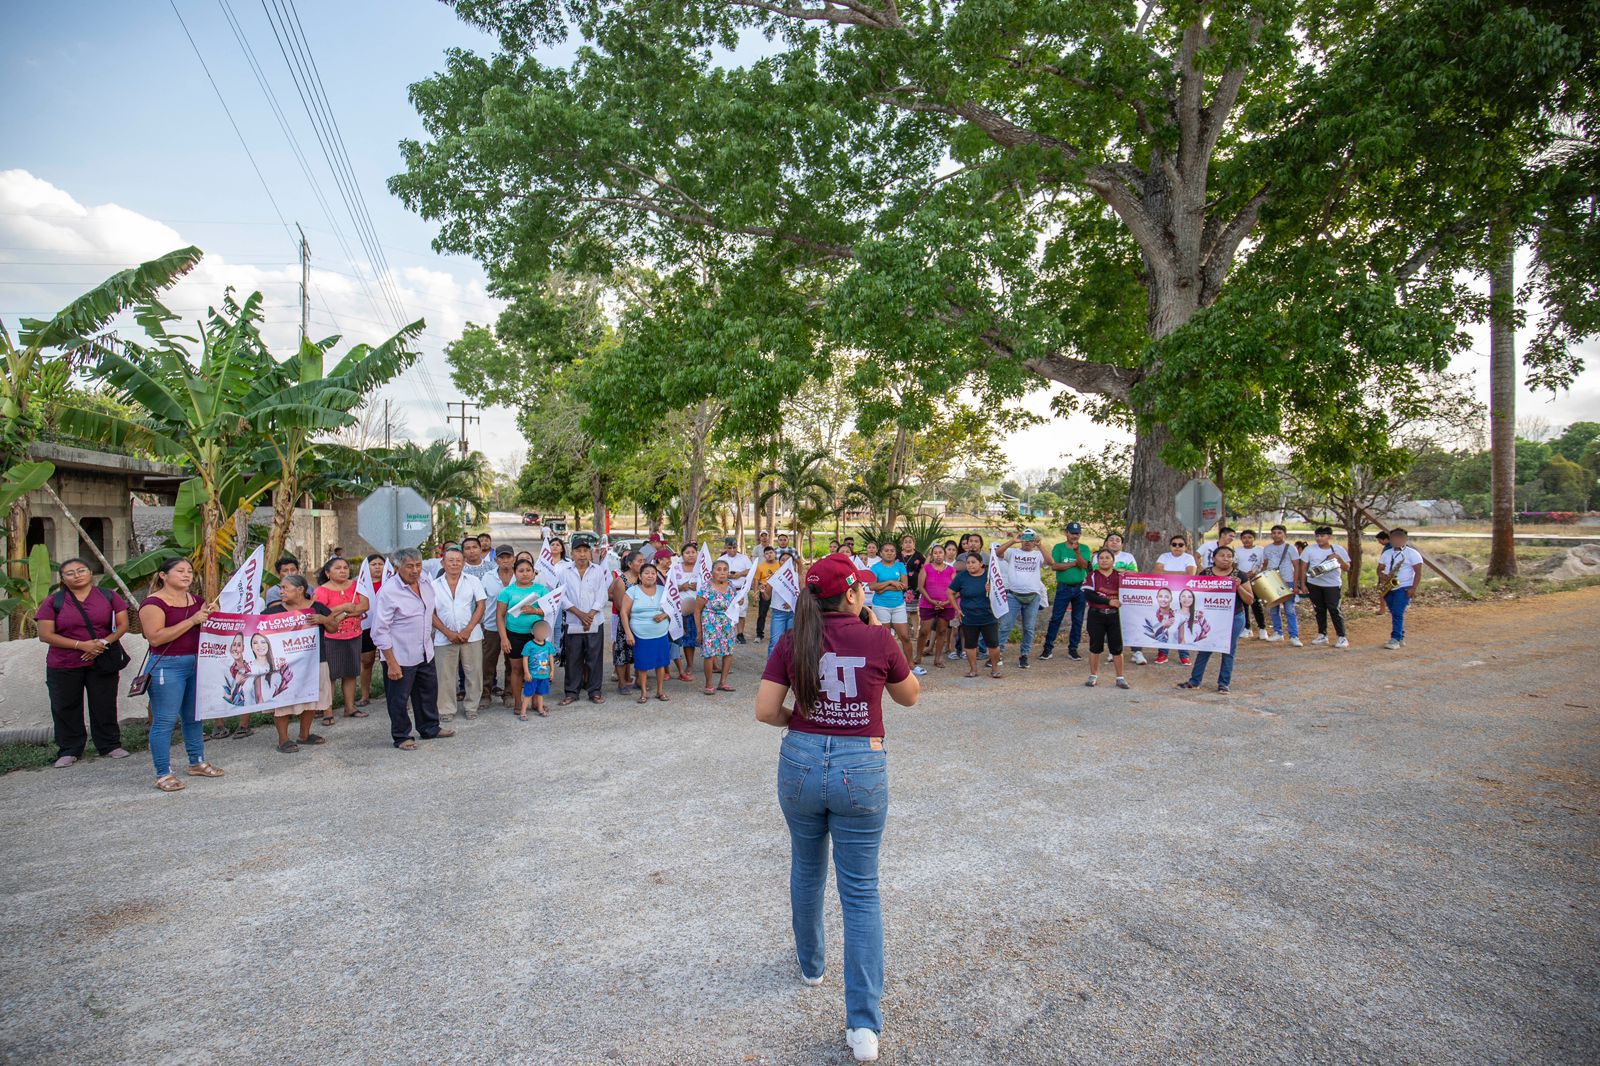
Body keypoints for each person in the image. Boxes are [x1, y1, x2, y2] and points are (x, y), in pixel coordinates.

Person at [755, 552, 920, 1065]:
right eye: (861, 589)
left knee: (807, 869)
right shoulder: (878, 638)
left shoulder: (792, 639)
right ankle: (864, 1025)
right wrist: (874, 631)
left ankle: (811, 965)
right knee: (862, 892)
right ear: (851, 594)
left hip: (801, 759)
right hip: (861, 766)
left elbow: (765, 711)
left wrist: (800, 725)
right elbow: (910, 697)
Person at [138, 558, 224, 791]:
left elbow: (208, 630)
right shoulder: (153, 603)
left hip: (197, 663)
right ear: (163, 575)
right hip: (168, 664)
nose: (186, 575)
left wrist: (213, 616)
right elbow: (155, 637)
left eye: (189, 571)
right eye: (179, 571)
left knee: (194, 716)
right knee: (165, 720)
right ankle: (163, 772)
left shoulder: (197, 601)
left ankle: (196, 761)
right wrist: (193, 620)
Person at [35, 558, 131, 767]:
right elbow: (45, 634)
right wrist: (81, 645)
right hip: (64, 663)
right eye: (70, 573)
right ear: (62, 579)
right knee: (65, 706)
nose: (77, 575)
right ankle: (69, 749)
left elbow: (123, 624)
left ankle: (109, 744)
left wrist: (102, 643)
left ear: (90, 572)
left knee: (104, 703)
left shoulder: (108, 595)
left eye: (81, 570)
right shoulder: (54, 601)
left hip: (102, 658)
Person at [371, 547, 455, 750]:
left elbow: (429, 612)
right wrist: (391, 663)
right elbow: (379, 631)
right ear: (397, 567)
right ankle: (401, 736)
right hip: (400, 655)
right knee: (398, 699)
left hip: (425, 651)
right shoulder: (389, 591)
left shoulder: (425, 582)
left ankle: (430, 727)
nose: (415, 570)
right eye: (409, 566)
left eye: (418, 565)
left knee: (427, 692)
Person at [261, 574, 334, 753]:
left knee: (311, 699)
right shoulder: (272, 612)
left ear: (300, 589)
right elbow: (256, 632)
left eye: (285, 588)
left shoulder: (317, 608)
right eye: (281, 588)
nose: (281, 591)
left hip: (315, 662)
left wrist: (323, 620)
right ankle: (283, 740)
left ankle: (304, 735)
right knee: (283, 701)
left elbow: (334, 627)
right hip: (284, 666)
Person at [1178, 545, 1254, 694]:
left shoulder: (1240, 575)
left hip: (1234, 617)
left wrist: (1238, 587)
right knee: (1205, 648)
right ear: (1214, 558)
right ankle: (1194, 681)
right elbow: (1195, 595)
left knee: (1228, 650)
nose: (1226, 559)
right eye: (1222, 555)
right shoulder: (1205, 573)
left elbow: (1250, 600)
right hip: (1210, 618)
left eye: (1229, 556)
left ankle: (1223, 683)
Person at [431, 545, 487, 725]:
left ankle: (471, 707)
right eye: (450, 560)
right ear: (443, 563)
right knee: (445, 675)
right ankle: (446, 709)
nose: (454, 564)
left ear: (463, 563)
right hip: (443, 637)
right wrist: (448, 632)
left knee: (474, 672)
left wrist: (468, 629)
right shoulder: (432, 585)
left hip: (471, 635)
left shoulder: (472, 581)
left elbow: (481, 606)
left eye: (458, 560)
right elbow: (429, 612)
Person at [314, 556, 368, 725]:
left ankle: (350, 707)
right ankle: (327, 711)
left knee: (350, 672)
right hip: (330, 638)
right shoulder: (321, 591)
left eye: (345, 567)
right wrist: (343, 607)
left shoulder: (356, 586)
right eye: (338, 568)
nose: (343, 570)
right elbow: (321, 614)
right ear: (328, 573)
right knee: (330, 675)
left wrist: (342, 615)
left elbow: (363, 606)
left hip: (354, 635)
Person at [559, 539, 611, 705]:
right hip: (574, 620)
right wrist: (580, 614)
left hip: (594, 621)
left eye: (585, 551)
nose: (582, 554)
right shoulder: (564, 571)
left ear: (590, 553)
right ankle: (571, 692)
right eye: (578, 551)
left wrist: (590, 615)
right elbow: (561, 596)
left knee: (594, 657)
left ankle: (594, 691)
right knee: (573, 657)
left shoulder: (597, 571)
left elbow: (602, 595)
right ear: (572, 553)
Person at [496, 559, 549, 717]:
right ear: (515, 573)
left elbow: (549, 610)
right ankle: (518, 702)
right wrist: (504, 638)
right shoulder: (507, 591)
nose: (525, 573)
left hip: (536, 636)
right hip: (515, 635)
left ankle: (536, 701)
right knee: (517, 670)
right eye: (521, 570)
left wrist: (534, 611)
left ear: (533, 573)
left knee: (537, 669)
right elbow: (499, 616)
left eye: (528, 570)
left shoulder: (541, 590)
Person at [623, 563, 674, 703]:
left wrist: (664, 616)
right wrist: (628, 633)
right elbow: (623, 612)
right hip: (640, 634)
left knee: (661, 663)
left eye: (653, 573)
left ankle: (660, 691)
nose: (650, 575)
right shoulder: (632, 591)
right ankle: (644, 692)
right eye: (646, 573)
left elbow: (673, 608)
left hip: (661, 632)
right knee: (642, 664)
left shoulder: (663, 590)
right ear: (640, 576)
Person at [996, 528, 1047, 670]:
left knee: (1029, 628)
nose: (1027, 542)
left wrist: (1040, 545)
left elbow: (1051, 562)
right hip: (1013, 595)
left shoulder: (1037, 554)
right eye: (1025, 539)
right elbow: (998, 552)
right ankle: (997, 653)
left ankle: (1024, 655)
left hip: (1033, 596)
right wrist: (1013, 540)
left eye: (1031, 539)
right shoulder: (1013, 552)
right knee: (1005, 625)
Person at [1041, 521, 1091, 662]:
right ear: (1066, 533)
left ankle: (1073, 649)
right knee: (1056, 618)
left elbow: (1083, 566)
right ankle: (1048, 648)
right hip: (1064, 587)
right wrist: (1072, 563)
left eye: (1077, 533)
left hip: (1080, 587)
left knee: (1077, 619)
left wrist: (1077, 552)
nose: (1075, 536)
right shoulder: (1059, 547)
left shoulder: (1084, 548)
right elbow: (1055, 566)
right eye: (1072, 533)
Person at [949, 549, 1002, 679]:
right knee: (970, 645)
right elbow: (950, 592)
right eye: (968, 563)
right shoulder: (962, 577)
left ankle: (994, 669)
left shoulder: (990, 576)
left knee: (993, 644)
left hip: (988, 616)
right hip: (969, 616)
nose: (970, 565)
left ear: (981, 563)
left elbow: (1001, 593)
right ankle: (973, 669)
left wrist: (992, 588)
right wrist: (957, 609)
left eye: (973, 562)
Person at [868, 542, 919, 673]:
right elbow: (872, 587)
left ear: (896, 553)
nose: (889, 553)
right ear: (881, 553)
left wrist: (883, 587)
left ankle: (910, 664)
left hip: (898, 605)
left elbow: (904, 585)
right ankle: (884, 665)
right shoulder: (875, 567)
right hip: (881, 606)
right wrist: (891, 582)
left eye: (892, 551)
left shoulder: (900, 565)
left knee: (905, 636)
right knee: (884, 638)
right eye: (886, 550)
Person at [1082, 549, 1130, 689]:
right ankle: (1093, 675)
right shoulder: (1092, 575)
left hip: (1114, 615)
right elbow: (1089, 594)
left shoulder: (1120, 576)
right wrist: (1109, 602)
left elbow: (1133, 588)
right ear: (1098, 561)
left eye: (1107, 557)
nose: (1104, 560)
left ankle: (1120, 677)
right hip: (1096, 614)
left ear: (1113, 560)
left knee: (1117, 647)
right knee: (1095, 646)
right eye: (1101, 558)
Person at [1300, 526, 1351, 648]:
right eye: (1317, 536)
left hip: (1332, 585)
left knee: (1334, 609)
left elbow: (1347, 568)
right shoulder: (1309, 549)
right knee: (1319, 610)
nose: (1319, 538)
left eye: (1322, 536)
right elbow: (1303, 567)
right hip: (1314, 583)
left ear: (1330, 537)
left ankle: (1342, 637)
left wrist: (1338, 558)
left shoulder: (1337, 549)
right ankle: (1322, 634)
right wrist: (1303, 584)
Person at [1100, 533, 1147, 666]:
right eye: (1111, 540)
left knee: (1132, 622)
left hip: (1127, 594)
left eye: (1118, 540)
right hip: (1107, 595)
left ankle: (1136, 652)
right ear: (1106, 543)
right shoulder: (1100, 556)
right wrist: (1121, 571)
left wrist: (1116, 570)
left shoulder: (1128, 557)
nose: (1114, 542)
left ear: (1122, 544)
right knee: (1110, 622)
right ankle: (1112, 651)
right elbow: (1100, 571)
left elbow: (1134, 573)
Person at [1153, 534, 1198, 665]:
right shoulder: (1163, 556)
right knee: (1166, 622)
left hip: (1183, 595)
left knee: (1182, 624)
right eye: (1174, 544)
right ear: (1170, 546)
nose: (1177, 547)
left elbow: (1190, 574)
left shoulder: (1189, 558)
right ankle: (1163, 653)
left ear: (1185, 546)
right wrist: (1180, 573)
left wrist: (1166, 572)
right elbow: (1156, 572)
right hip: (1167, 594)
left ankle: (1184, 654)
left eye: (1180, 545)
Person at [1377, 527, 1425, 650]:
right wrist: (1383, 576)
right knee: (1394, 612)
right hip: (1389, 587)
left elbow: (1418, 573)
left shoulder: (1412, 554)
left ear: (1405, 539)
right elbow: (1379, 569)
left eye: (1400, 537)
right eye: (1394, 538)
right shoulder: (1387, 553)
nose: (1397, 540)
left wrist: (1413, 588)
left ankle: (1395, 639)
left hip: (1403, 587)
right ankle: (1401, 636)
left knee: (1398, 612)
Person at [696, 559, 739, 694]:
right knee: (709, 654)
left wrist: (740, 601)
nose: (722, 572)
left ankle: (723, 682)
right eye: (718, 569)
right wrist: (699, 631)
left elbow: (735, 604)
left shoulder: (731, 586)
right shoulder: (706, 588)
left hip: (727, 624)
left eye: (725, 570)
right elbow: (697, 610)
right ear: (712, 572)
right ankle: (709, 684)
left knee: (728, 652)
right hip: (710, 623)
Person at [479, 546, 515, 703]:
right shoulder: (488, 577)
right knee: (488, 662)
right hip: (492, 626)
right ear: (496, 560)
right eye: (501, 558)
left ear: (514, 558)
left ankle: (509, 694)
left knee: (512, 662)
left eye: (508, 557)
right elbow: (480, 601)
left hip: (514, 627)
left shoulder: (520, 576)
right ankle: (485, 695)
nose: (505, 560)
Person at [915, 542, 956, 668]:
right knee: (924, 631)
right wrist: (931, 601)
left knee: (942, 631)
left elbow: (955, 589)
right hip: (928, 604)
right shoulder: (926, 568)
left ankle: (938, 659)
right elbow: (921, 587)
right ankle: (918, 655)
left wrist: (947, 602)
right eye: (935, 553)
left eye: (941, 553)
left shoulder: (951, 570)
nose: (938, 555)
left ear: (945, 554)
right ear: (932, 555)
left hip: (946, 604)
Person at [1261, 525, 1304, 647]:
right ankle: (1277, 632)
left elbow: (1296, 567)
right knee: (1273, 609)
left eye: (1279, 532)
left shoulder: (1290, 548)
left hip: (1287, 580)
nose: (1276, 535)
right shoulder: (1267, 548)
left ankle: (1294, 636)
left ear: (1284, 534)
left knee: (1289, 609)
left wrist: (1296, 585)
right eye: (1273, 533)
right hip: (1271, 581)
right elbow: (1265, 564)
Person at [609, 550, 644, 694]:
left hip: (641, 622)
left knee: (640, 652)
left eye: (643, 561)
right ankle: (622, 683)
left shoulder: (643, 579)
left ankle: (639, 681)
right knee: (622, 651)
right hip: (626, 621)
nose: (642, 564)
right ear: (630, 564)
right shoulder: (621, 581)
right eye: (639, 561)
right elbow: (618, 605)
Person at [357, 553, 386, 707]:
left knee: (388, 661)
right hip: (366, 626)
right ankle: (364, 695)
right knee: (366, 661)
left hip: (387, 627)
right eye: (373, 564)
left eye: (380, 564)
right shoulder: (359, 584)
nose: (377, 567)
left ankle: (393, 695)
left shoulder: (391, 582)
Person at [673, 542, 702, 681]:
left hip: (702, 609)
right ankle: (690, 665)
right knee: (688, 639)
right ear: (682, 555)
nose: (690, 555)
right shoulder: (676, 568)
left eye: (693, 552)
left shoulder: (703, 568)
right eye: (687, 553)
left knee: (706, 636)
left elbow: (711, 583)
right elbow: (670, 587)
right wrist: (681, 586)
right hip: (683, 610)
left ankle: (713, 664)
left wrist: (700, 586)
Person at [719, 536, 753, 645]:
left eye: (734, 547)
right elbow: (716, 572)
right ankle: (727, 634)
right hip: (726, 590)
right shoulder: (722, 559)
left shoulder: (743, 558)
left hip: (740, 590)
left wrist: (740, 574)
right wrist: (727, 575)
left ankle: (740, 634)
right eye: (730, 547)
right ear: (725, 547)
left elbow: (751, 570)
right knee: (726, 612)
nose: (732, 550)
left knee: (741, 613)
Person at [520, 618, 556, 719]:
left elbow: (551, 658)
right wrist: (526, 672)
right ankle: (523, 712)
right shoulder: (529, 645)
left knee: (540, 693)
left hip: (544, 675)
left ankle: (540, 709)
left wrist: (552, 671)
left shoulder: (548, 645)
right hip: (532, 675)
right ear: (533, 632)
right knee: (528, 694)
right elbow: (525, 659)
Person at [1234, 530, 1266, 637]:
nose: (1247, 540)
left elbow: (1264, 564)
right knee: (1243, 605)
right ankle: (1247, 628)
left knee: (1256, 604)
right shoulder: (1237, 550)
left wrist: (1255, 573)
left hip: (1255, 580)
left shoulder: (1260, 550)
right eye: (1244, 538)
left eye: (1249, 537)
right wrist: (1243, 575)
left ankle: (1262, 628)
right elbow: (1234, 565)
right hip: (1242, 581)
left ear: (1254, 538)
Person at [898, 534, 924, 648]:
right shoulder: (897, 555)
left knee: (913, 611)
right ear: (902, 544)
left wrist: (921, 585)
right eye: (905, 542)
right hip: (898, 586)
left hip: (914, 588)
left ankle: (916, 633)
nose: (908, 543)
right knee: (901, 611)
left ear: (914, 544)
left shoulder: (919, 556)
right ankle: (905, 633)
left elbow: (924, 571)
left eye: (910, 542)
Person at [754, 546, 781, 641]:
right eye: (767, 553)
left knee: (778, 613)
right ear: (764, 556)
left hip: (778, 591)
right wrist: (756, 592)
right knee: (762, 613)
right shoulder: (761, 566)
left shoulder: (780, 564)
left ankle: (779, 634)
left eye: (771, 553)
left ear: (775, 553)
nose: (769, 555)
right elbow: (756, 580)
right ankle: (759, 635)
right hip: (764, 590)